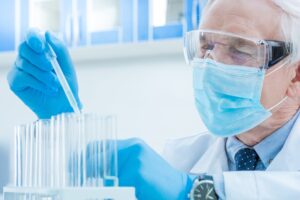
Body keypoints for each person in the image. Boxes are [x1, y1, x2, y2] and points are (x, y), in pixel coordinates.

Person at [7, 0, 300, 199]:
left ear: (296, 75)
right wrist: (65, 122)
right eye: (205, 46)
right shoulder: (181, 160)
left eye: (240, 48)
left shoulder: (179, 182)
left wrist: (196, 191)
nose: (211, 64)